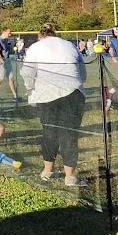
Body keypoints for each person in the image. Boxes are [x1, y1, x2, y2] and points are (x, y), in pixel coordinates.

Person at [21, 25, 85, 186]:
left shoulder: (35, 47)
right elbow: (82, 73)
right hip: (73, 93)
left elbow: (27, 72)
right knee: (69, 134)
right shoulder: (70, 45)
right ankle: (70, 176)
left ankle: (47, 171)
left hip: (46, 95)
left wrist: (30, 87)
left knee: (49, 131)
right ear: (55, 35)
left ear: (40, 36)